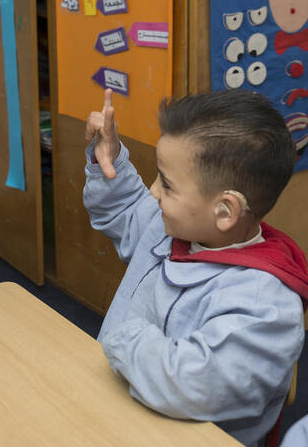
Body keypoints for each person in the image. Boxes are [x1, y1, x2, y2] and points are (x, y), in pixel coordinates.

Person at [84, 88, 308, 446]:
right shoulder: (175, 223)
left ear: (225, 211)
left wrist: (121, 334)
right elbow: (127, 211)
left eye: (167, 184)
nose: (154, 192)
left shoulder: (267, 305)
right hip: (116, 412)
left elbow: (190, 382)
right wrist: (109, 160)